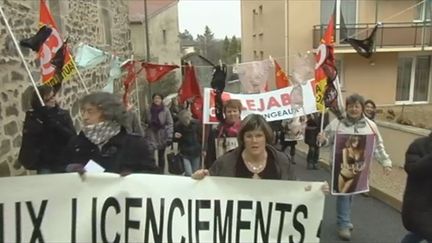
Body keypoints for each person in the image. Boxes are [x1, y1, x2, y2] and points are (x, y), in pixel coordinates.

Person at [317, 93, 392, 241]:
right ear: (347, 107)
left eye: (357, 106)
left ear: (362, 108)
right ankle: (343, 224)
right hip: (341, 167)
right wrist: (322, 139)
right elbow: (325, 141)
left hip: (360, 168)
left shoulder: (371, 126)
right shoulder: (337, 123)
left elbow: (377, 146)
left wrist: (386, 162)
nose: (353, 109)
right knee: (344, 193)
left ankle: (344, 218)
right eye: (351, 106)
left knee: (351, 194)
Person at [63, 92, 157, 174]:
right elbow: (58, 174)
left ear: (108, 112)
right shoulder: (75, 144)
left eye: (90, 111)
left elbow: (153, 177)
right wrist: (68, 169)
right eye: (83, 112)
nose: (85, 117)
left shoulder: (135, 144)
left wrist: (133, 177)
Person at [193, 114, 295, 180]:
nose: (254, 141)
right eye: (249, 136)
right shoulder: (225, 163)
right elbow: (208, 193)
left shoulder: (282, 161)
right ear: (243, 138)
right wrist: (200, 180)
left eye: (259, 136)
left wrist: (305, 191)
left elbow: (292, 191)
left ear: (266, 137)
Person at [18, 84, 76, 174]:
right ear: (40, 101)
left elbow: (72, 136)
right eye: (48, 99)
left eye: (53, 96)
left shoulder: (63, 114)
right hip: (44, 162)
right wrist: (41, 119)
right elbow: (30, 137)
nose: (53, 100)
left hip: (62, 159)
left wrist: (56, 124)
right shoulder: (33, 116)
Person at [401, 132, 432, 243]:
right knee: (421, 230)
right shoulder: (418, 145)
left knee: (416, 234)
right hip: (420, 205)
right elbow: (413, 169)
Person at [204, 99, 242, 168]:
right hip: (220, 168)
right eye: (229, 111)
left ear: (239, 112)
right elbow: (210, 153)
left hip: (240, 168)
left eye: (234, 111)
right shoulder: (216, 131)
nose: (232, 114)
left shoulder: (245, 130)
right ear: (225, 113)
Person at [145, 93, 174, 173]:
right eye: (155, 98)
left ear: (161, 100)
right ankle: (152, 171)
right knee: (151, 156)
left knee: (161, 156)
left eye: (158, 98)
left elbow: (170, 123)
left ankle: (161, 173)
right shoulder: (148, 110)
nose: (157, 100)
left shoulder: (165, 110)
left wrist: (170, 136)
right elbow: (144, 122)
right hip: (151, 134)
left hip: (162, 135)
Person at [174, 110, 202, 176]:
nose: (186, 123)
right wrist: (175, 136)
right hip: (184, 152)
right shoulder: (178, 126)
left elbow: (201, 136)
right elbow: (175, 139)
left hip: (196, 151)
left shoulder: (197, 124)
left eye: (187, 120)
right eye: (184, 121)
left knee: (195, 173)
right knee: (189, 173)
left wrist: (203, 148)